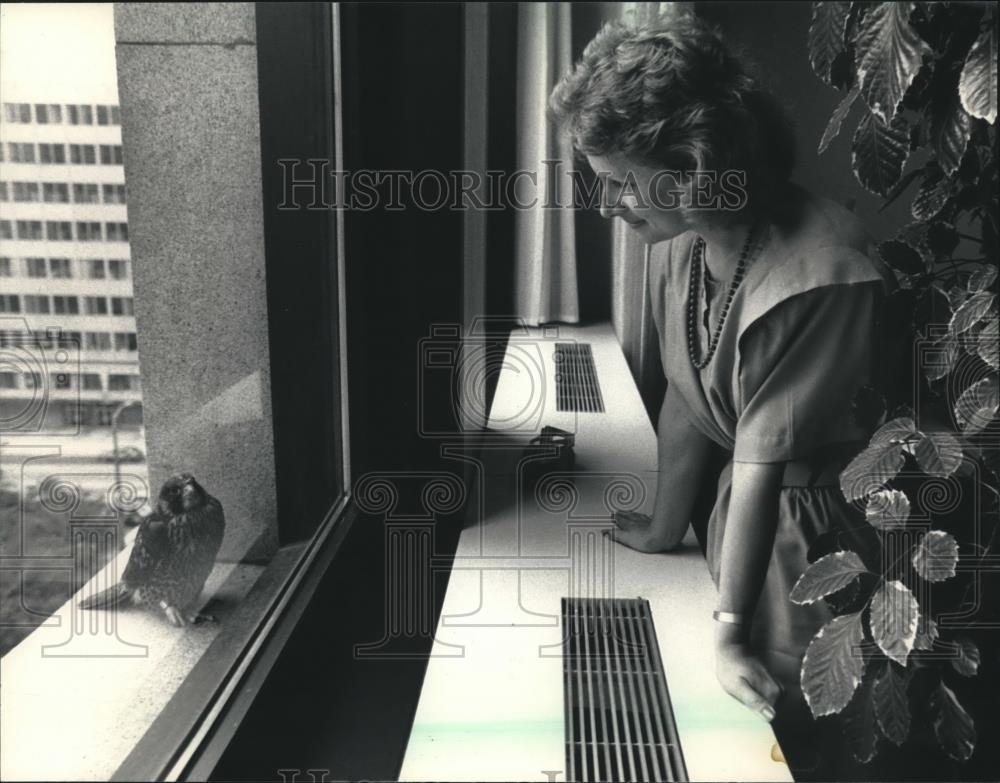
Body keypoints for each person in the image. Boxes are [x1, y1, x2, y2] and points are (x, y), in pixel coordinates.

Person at [549, 12, 896, 779]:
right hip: (742, 517)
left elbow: (766, 460)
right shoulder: (683, 237)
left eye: (619, 184)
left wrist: (733, 630)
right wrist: (666, 525)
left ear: (694, 165)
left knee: (789, 744)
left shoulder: (819, 271)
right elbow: (686, 395)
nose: (607, 206)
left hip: (814, 540)